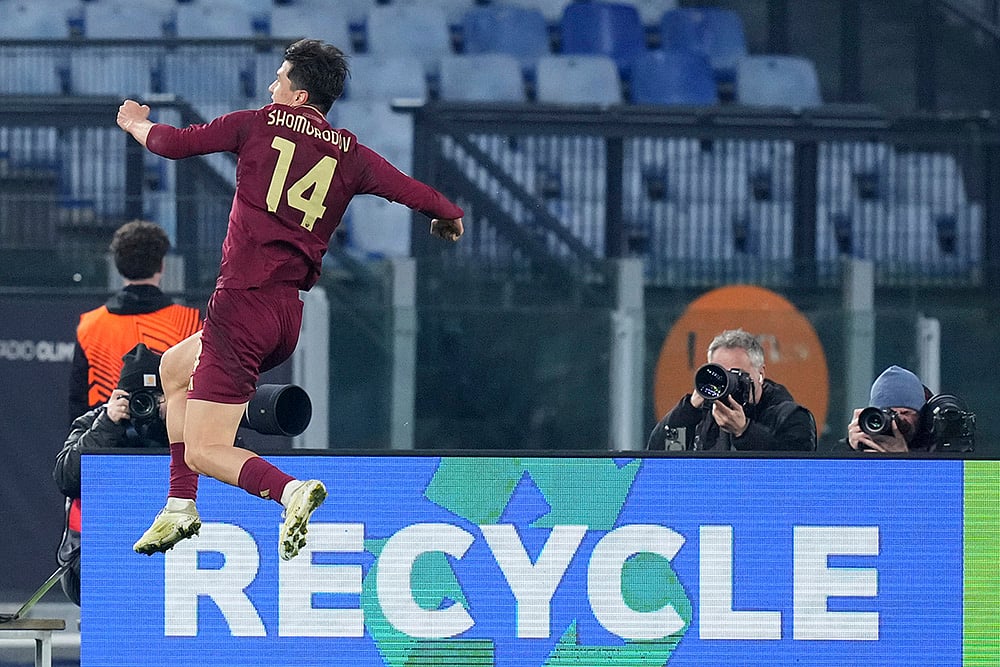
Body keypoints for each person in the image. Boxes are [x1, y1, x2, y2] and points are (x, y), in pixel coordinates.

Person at [115, 39, 464, 561]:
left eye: (278, 80)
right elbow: (416, 192)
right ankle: (180, 505)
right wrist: (448, 215)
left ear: (298, 96)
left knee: (210, 450)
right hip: (285, 315)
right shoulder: (352, 154)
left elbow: (173, 142)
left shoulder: (257, 124)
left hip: (240, 306)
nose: (270, 87)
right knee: (173, 367)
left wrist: (135, 123)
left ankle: (289, 490)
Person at [54, 343, 169, 605]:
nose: (145, 406)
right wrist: (108, 425)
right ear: (119, 396)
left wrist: (176, 420)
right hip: (94, 552)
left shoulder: (178, 422)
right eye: (137, 398)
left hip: (163, 546)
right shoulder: (95, 423)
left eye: (154, 397)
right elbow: (65, 478)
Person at [68, 219, 202, 424]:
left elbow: (78, 403)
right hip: (172, 441)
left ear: (118, 266)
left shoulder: (90, 326)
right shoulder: (191, 324)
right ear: (162, 265)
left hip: (108, 445)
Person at [646, 328, 817, 451]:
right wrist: (688, 410)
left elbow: (796, 473)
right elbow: (658, 455)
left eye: (736, 374)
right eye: (720, 374)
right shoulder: (703, 413)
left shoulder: (791, 416)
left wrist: (744, 432)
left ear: (760, 373)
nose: (727, 382)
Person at [845, 365, 932, 453]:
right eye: (889, 413)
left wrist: (902, 457)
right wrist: (852, 450)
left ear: (922, 416)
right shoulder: (863, 441)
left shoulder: (936, 450)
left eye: (905, 412)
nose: (896, 420)